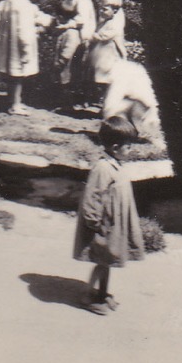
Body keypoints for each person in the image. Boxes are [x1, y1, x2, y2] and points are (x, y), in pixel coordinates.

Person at [73, 117, 145, 316]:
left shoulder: (115, 164)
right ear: (115, 147)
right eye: (128, 146)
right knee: (102, 262)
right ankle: (88, 295)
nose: (131, 150)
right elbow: (92, 198)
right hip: (104, 226)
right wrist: (95, 223)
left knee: (108, 260)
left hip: (115, 225)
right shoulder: (103, 168)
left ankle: (102, 293)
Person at [0, 0, 52, 116]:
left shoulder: (5, 3)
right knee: (17, 76)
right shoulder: (25, 6)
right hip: (19, 47)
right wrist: (25, 51)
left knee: (12, 77)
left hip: (6, 46)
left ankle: (13, 101)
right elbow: (25, 32)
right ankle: (15, 105)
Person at [54, 0, 97, 92]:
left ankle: (70, 98)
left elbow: (80, 20)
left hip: (82, 37)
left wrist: (66, 26)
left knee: (73, 68)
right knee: (71, 68)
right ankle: (68, 96)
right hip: (75, 36)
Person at [101, 60, 160, 144]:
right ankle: (111, 133)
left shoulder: (147, 103)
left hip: (134, 84)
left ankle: (123, 132)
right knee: (113, 108)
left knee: (118, 107)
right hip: (128, 77)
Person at [87, 0, 128, 101]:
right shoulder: (103, 22)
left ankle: (109, 104)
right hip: (101, 57)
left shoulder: (115, 23)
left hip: (110, 56)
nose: (101, 11)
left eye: (104, 9)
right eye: (100, 9)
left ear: (114, 11)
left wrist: (95, 36)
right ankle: (102, 101)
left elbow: (106, 35)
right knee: (102, 81)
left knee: (109, 80)